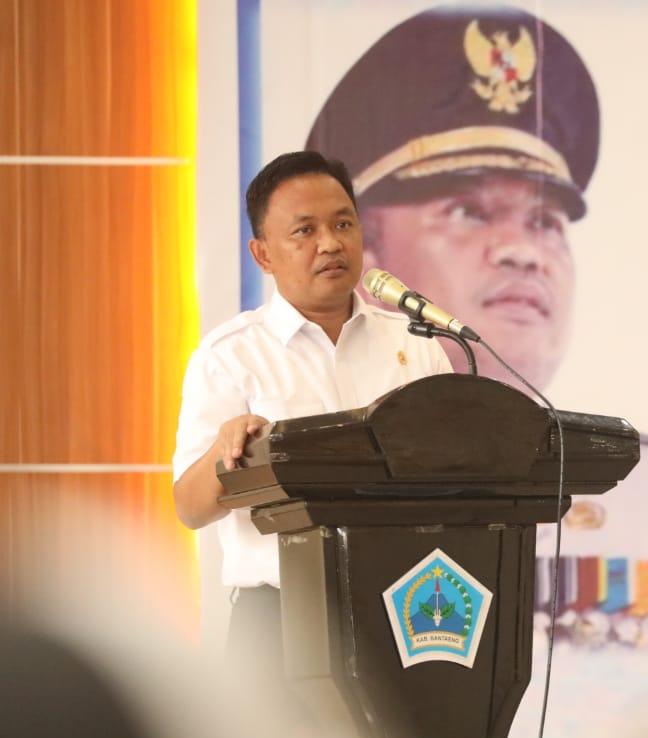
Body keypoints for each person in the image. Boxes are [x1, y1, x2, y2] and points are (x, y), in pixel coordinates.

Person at [304, 6, 648, 738]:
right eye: (469, 211)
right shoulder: (321, 473)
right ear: (371, 262)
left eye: (544, 220)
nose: (523, 248)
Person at [172, 151, 452, 674]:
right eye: (305, 231)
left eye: (343, 224)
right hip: (279, 622)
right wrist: (227, 451)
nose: (330, 243)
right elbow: (189, 508)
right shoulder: (231, 355)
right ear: (263, 254)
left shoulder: (416, 346)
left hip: (403, 610)